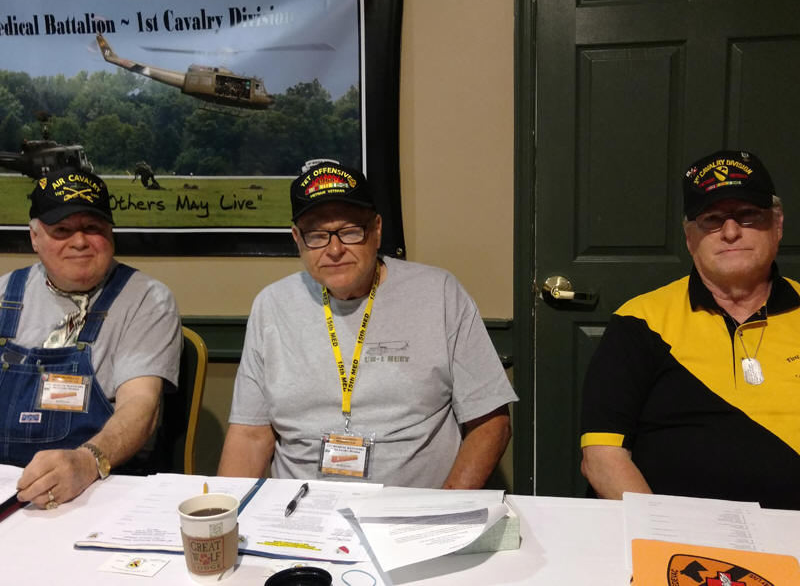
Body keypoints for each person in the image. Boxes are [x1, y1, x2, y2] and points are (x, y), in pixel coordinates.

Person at [218, 160, 517, 488]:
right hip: (301, 506)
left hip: (412, 507)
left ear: (376, 230)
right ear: (297, 239)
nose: (334, 249)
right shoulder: (272, 305)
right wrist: (228, 509)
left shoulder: (440, 293)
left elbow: (491, 424)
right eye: (317, 235)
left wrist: (444, 506)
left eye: (350, 231)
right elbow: (249, 435)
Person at [580, 150, 800, 509]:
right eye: (712, 220)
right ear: (689, 237)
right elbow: (602, 456)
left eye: (748, 215)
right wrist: (660, 531)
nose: (731, 232)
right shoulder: (639, 322)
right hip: (672, 532)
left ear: (777, 225)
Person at [4, 168, 181, 509]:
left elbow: (140, 406)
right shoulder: (4, 295)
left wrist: (87, 461)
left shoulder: (146, 299)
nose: (80, 242)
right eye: (62, 230)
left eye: (93, 228)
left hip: (101, 488)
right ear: (34, 237)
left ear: (111, 234)